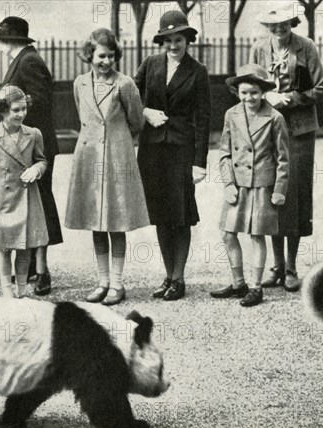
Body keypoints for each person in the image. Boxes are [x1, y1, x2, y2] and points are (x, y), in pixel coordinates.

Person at [65, 28, 149, 305]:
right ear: (89, 54)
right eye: (101, 56)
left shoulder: (125, 84)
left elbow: (137, 121)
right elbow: (83, 117)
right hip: (89, 158)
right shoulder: (79, 83)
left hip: (116, 157)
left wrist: (118, 139)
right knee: (95, 222)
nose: (106, 61)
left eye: (111, 56)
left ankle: (117, 283)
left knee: (116, 221)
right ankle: (102, 282)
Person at [249, 6, 323, 292]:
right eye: (272, 24)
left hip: (299, 131)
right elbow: (249, 83)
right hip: (268, 129)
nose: (278, 29)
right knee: (273, 192)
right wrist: (266, 96)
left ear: (291, 22)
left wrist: (291, 99)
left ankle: (292, 267)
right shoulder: (258, 48)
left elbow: (321, 89)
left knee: (293, 195)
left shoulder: (306, 47)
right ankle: (277, 266)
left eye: (283, 23)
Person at [135, 10, 211, 301]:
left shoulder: (197, 71)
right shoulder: (150, 64)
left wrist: (199, 162)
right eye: (167, 41)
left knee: (180, 215)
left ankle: (178, 278)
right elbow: (129, 95)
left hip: (181, 149)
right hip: (152, 148)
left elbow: (204, 119)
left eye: (178, 39)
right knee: (161, 215)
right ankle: (167, 276)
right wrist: (145, 112)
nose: (173, 46)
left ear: (187, 39)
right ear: (161, 42)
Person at [0, 16, 62, 295]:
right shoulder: (23, 59)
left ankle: (43, 272)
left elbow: (39, 100)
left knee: (40, 205)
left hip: (35, 148)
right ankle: (31, 266)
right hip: (23, 148)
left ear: (11, 40)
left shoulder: (28, 60)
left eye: (0, 38)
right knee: (27, 206)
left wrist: (4, 104)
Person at [210, 64, 289, 307]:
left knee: (257, 236)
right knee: (227, 234)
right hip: (238, 185)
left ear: (263, 91)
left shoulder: (275, 118)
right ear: (237, 92)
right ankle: (238, 283)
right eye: (244, 92)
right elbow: (224, 153)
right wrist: (228, 184)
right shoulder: (231, 114)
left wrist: (279, 190)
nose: (249, 98)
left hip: (262, 185)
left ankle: (256, 287)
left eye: (254, 92)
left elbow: (283, 158)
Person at [0, 85, 49, 298]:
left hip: (27, 197)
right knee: (5, 249)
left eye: (24, 109)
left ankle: (22, 291)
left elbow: (42, 160)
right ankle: (7, 292)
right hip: (2, 201)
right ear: (2, 110)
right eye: (16, 110)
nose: (21, 114)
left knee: (25, 248)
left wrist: (36, 169)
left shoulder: (33, 134)